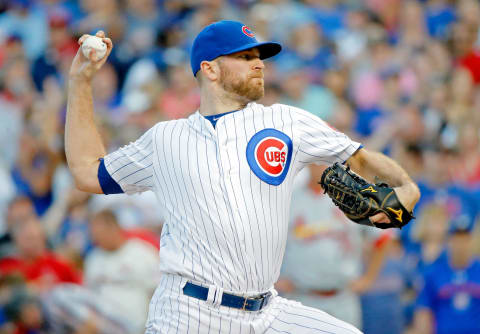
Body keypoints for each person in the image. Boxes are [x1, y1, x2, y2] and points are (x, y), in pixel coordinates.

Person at [65, 20, 420, 333]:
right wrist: (80, 82)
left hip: (266, 312)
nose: (259, 65)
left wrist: (406, 185)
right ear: (211, 69)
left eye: (259, 57)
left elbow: (358, 156)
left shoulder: (285, 121)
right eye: (245, 57)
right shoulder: (164, 140)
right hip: (189, 313)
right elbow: (87, 172)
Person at [276, 164, 391, 330]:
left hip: (342, 298)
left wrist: (368, 279)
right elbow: (263, 238)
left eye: (324, 159)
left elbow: (382, 238)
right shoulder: (289, 198)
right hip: (301, 297)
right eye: (315, 159)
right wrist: (274, 279)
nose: (319, 165)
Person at [410, 215, 480, 334]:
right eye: (456, 239)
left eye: (464, 239)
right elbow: (424, 311)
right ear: (448, 241)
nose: (460, 244)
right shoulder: (434, 273)